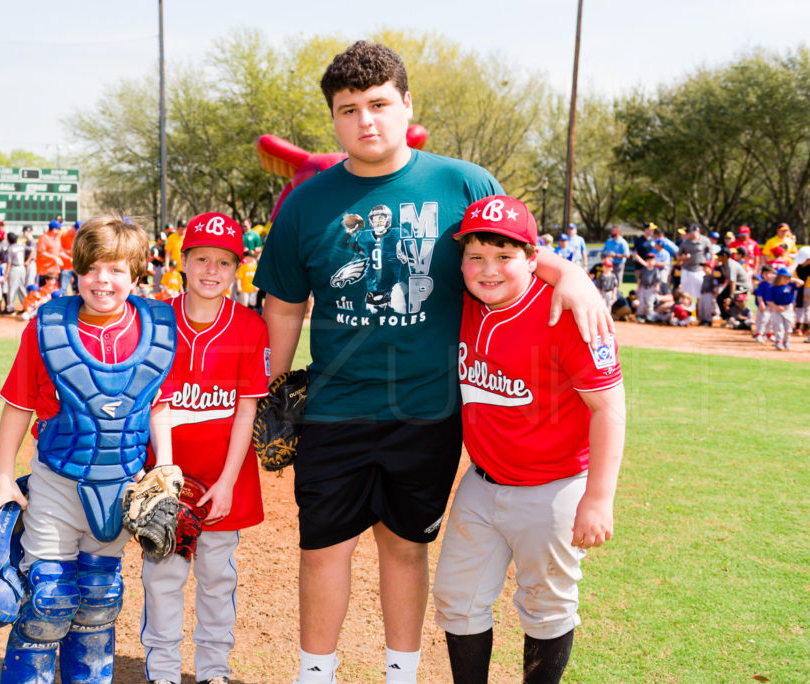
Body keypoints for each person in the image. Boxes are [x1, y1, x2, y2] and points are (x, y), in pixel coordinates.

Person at [253, 41, 612, 684]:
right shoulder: (307, 203)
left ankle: (401, 673)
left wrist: (572, 273)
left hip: (430, 408)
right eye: (348, 109)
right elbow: (283, 306)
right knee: (322, 549)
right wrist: (270, 392)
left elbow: (511, 251)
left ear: (406, 105)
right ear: (333, 119)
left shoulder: (461, 182)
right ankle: (315, 674)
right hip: (336, 405)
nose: (366, 121)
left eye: (380, 104)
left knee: (404, 546)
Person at [433, 195, 624, 684]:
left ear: (532, 259)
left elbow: (608, 407)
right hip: (482, 482)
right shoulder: (466, 302)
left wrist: (598, 499)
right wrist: (571, 269)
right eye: (475, 256)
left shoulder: (567, 312)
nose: (488, 269)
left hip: (553, 487)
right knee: (459, 598)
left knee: (547, 604)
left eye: (504, 256)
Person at [0, 215, 177, 684]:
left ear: (136, 274)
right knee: (48, 601)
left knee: (99, 601)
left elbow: (158, 405)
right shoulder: (48, 325)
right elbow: (17, 405)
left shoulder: (157, 327)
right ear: (76, 271)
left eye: (116, 270)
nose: (102, 281)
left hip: (122, 485)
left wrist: (166, 470)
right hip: (56, 482)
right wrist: (2, 475)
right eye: (92, 269)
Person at [140, 212, 269, 684]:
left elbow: (246, 410)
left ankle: (214, 670)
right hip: (169, 475)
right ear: (183, 262)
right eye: (201, 259)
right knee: (163, 576)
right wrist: (168, 482)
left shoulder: (250, 327)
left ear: (237, 270)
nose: (211, 271)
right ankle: (164, 671)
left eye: (223, 262)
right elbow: (159, 405)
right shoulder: (156, 321)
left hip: (221, 476)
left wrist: (228, 482)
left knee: (218, 577)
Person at [767, 266, 802, 350]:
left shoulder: (791, 285)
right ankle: (779, 342)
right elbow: (769, 300)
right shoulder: (773, 288)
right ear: (778, 277)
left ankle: (786, 342)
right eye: (785, 277)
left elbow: (801, 282)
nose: (787, 280)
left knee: (788, 326)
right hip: (777, 308)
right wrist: (776, 307)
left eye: (788, 278)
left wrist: (792, 279)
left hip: (788, 308)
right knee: (779, 326)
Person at [677, 223, 712, 299]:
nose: (691, 235)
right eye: (690, 233)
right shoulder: (685, 242)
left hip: (700, 269)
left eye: (693, 233)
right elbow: (678, 257)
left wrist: (711, 265)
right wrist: (683, 257)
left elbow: (711, 253)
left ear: (698, 231)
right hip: (687, 269)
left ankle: (698, 309)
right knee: (685, 294)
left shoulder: (705, 240)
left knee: (699, 293)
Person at [752, 269, 775, 343]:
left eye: (771, 273)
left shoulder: (774, 284)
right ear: (763, 275)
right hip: (764, 306)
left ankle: (769, 335)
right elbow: (759, 295)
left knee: (771, 321)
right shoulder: (762, 284)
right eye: (766, 274)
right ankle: (759, 335)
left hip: (771, 306)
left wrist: (773, 306)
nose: (769, 275)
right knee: (762, 321)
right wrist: (761, 303)